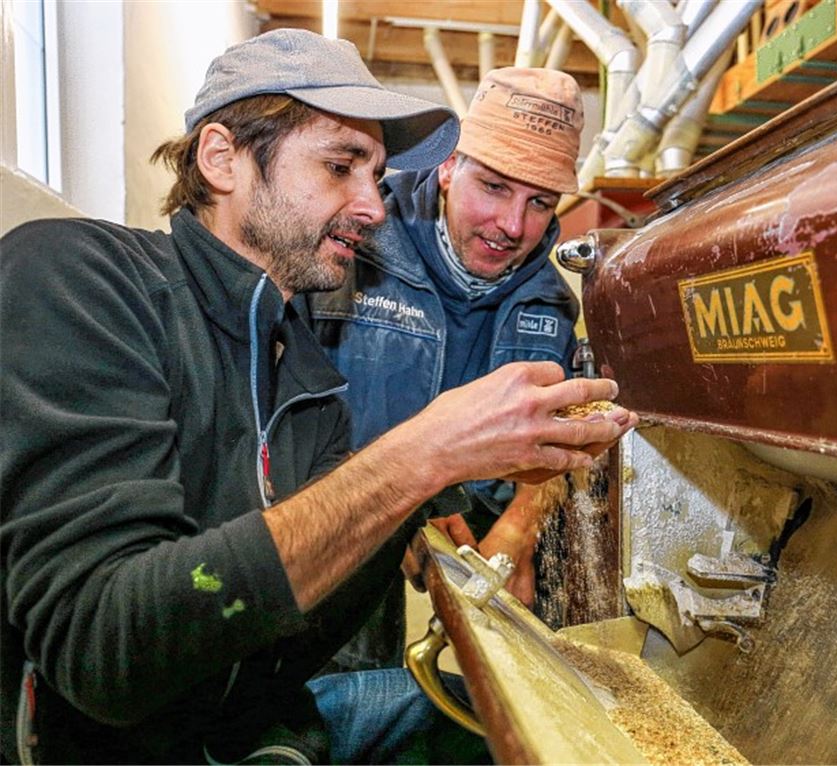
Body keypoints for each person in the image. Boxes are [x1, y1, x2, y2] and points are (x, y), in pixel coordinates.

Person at [0, 29, 638, 766]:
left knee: (548, 729)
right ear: (221, 158)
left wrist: (428, 518)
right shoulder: (79, 277)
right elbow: (107, 651)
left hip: (263, 722)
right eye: (340, 167)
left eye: (375, 173)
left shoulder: (301, 371)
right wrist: (423, 456)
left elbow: (294, 618)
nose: (373, 207)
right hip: (125, 746)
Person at [313, 68, 588, 671]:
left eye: (539, 202)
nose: (512, 226)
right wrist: (396, 496)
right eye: (492, 187)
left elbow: (560, 436)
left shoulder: (552, 305)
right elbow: (287, 407)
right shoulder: (355, 247)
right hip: (338, 523)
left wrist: (519, 528)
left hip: (473, 543)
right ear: (448, 167)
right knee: (337, 687)